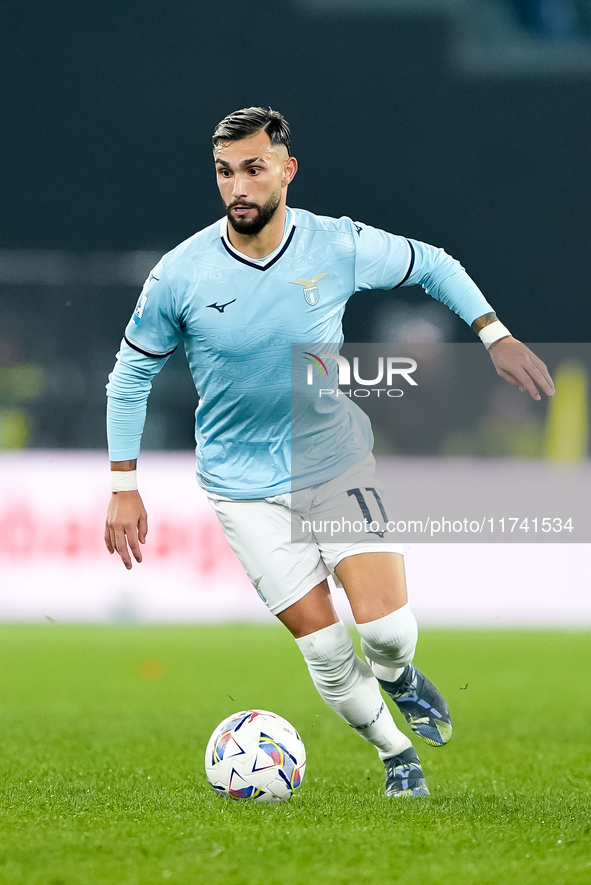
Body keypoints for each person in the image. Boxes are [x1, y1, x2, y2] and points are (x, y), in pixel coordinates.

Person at [104, 107, 555, 798]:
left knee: (387, 635)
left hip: (333, 461)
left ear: (286, 170)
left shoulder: (335, 245)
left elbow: (433, 265)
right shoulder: (180, 274)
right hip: (239, 485)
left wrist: (492, 333)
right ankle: (397, 754)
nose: (238, 188)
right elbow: (131, 372)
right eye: (225, 172)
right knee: (324, 648)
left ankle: (402, 677)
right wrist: (124, 483)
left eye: (253, 169)